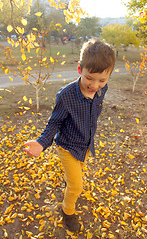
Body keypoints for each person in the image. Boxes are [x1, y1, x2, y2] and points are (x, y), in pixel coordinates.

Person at [23, 38, 116, 232]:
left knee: (77, 174)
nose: (95, 85)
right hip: (67, 146)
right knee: (76, 186)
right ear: (80, 69)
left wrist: (98, 86)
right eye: (90, 78)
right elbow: (55, 122)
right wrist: (41, 142)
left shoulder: (102, 89)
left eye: (102, 80)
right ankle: (67, 211)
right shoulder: (65, 95)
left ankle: (70, 179)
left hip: (86, 144)